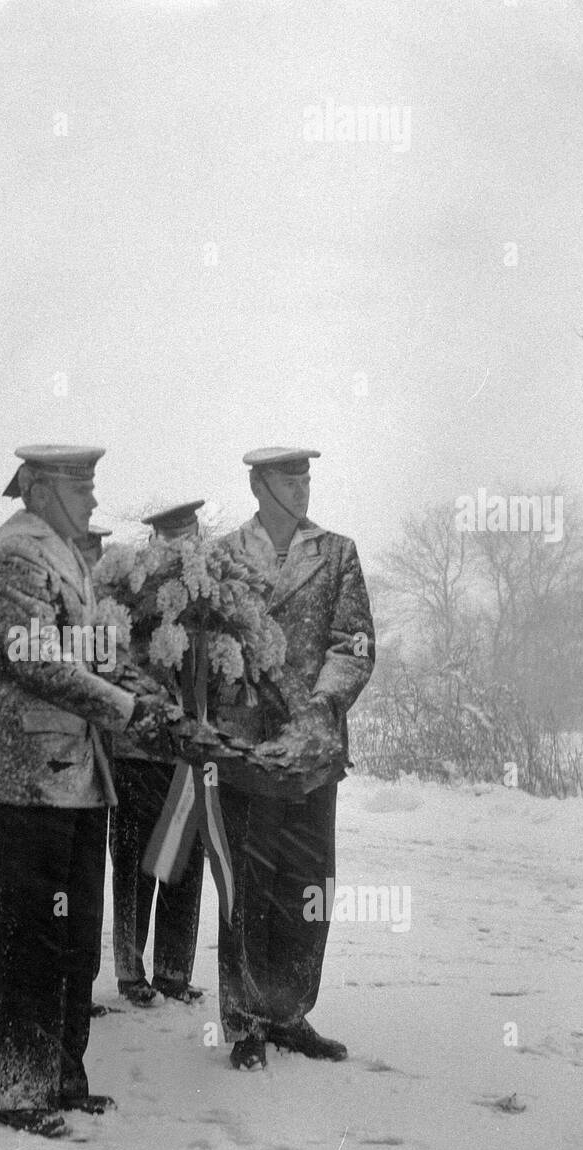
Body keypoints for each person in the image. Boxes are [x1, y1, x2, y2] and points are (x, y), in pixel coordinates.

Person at [0, 444, 181, 1137]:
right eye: (81, 488)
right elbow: (36, 661)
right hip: (27, 780)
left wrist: (145, 687)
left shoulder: (64, 555)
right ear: (40, 490)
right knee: (32, 937)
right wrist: (125, 709)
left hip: (79, 777)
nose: (93, 501)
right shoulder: (16, 556)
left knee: (73, 941)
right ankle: (15, 1087)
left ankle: (61, 1076)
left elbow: (89, 654)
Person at [213, 447, 375, 1071]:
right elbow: (209, 646)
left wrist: (320, 707)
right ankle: (246, 1019)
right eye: (288, 477)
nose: (302, 486)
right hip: (245, 750)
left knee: (306, 885)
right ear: (258, 484)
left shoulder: (337, 552)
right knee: (246, 885)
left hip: (311, 752)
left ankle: (289, 1010)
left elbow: (355, 642)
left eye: (307, 475)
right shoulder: (224, 558)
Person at [108, 500, 209, 1007]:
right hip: (136, 750)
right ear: (154, 541)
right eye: (171, 539)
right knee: (133, 861)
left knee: (185, 861)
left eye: (188, 537)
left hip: (187, 753)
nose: (181, 547)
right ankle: (130, 971)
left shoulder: (211, 593)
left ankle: (174, 970)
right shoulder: (130, 590)